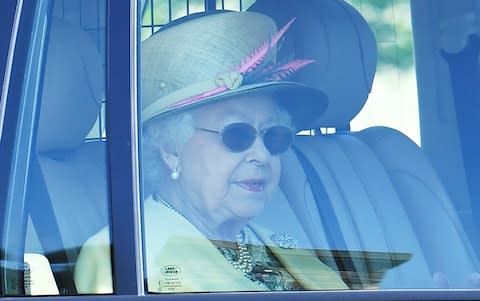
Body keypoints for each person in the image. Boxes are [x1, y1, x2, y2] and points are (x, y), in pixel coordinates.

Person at [74, 10, 347, 293]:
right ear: (171, 149)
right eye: (237, 135)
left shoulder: (281, 248)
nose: (262, 155)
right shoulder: (126, 258)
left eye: (273, 137)